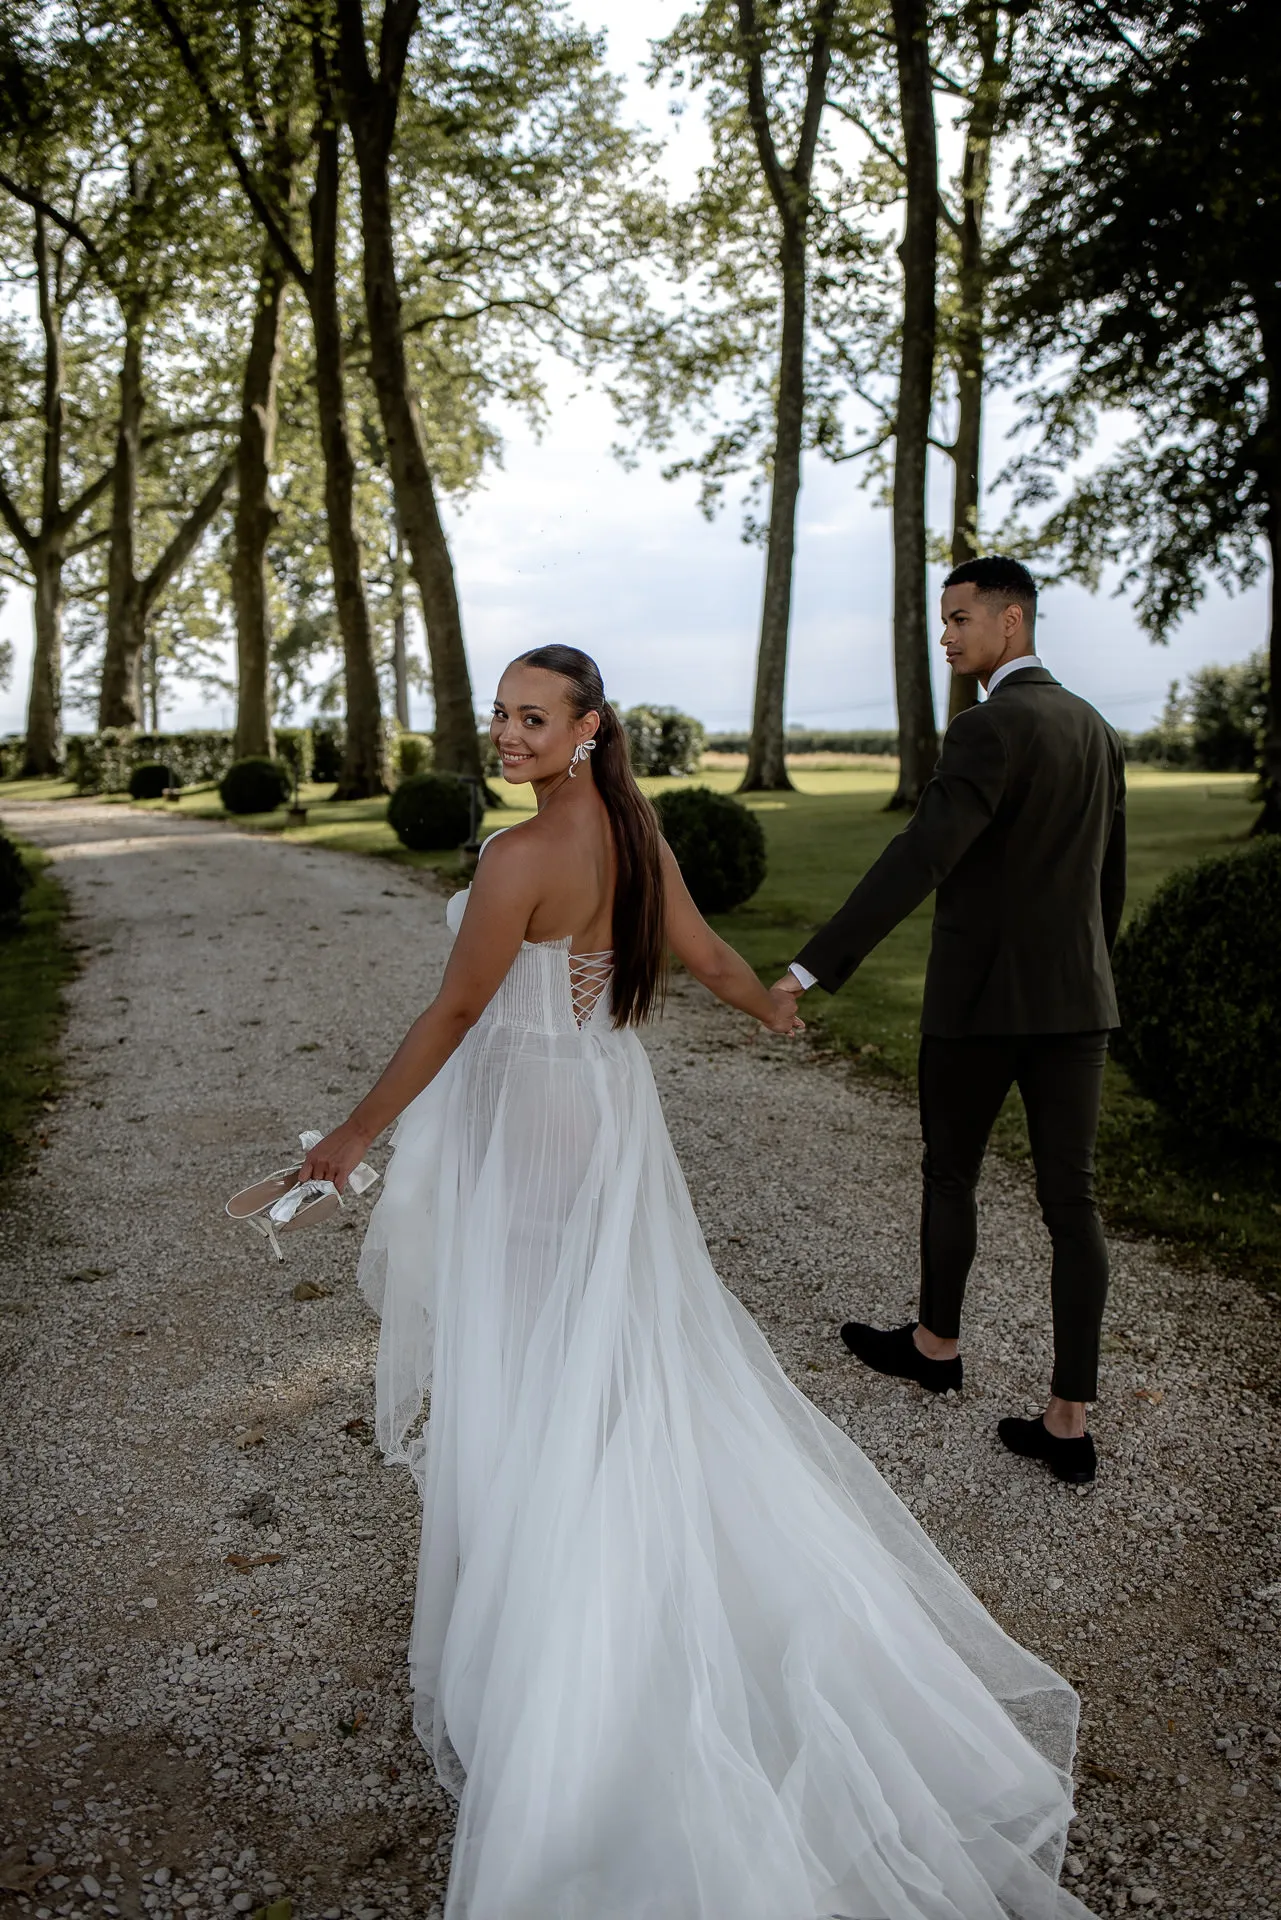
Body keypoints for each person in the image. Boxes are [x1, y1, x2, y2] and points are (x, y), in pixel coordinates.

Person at [300, 644, 1097, 1920]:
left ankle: (566, 1639)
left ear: (587, 727)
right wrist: (779, 1006)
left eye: (532, 717)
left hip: (537, 1145)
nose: (506, 733)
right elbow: (713, 959)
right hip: (610, 1122)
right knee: (612, 1359)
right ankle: (610, 1572)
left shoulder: (519, 858)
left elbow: (453, 1017)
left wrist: (350, 1136)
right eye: (500, 714)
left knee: (538, 1369)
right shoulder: (633, 828)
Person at [775, 558, 1126, 1488]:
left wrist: (813, 967)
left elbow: (918, 857)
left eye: (960, 619)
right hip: (1076, 1006)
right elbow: (1108, 885)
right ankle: (1069, 1418)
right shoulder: (1094, 728)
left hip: (977, 1006)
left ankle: (935, 1346)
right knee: (1071, 1202)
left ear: (1011, 623)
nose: (947, 637)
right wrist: (1094, 978)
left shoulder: (986, 727)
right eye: (943, 621)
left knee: (951, 1171)